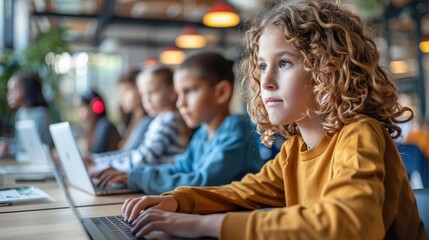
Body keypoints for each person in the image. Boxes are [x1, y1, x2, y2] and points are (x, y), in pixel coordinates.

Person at [121, 1, 426, 239]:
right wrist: (177, 201)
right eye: (263, 65)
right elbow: (242, 192)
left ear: (329, 70)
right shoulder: (294, 151)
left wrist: (208, 226)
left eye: (284, 63)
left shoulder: (359, 134)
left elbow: (351, 224)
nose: (265, 80)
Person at [92, 51, 265, 194]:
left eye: (188, 91)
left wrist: (139, 178)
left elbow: (203, 182)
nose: (179, 103)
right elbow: (179, 168)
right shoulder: (202, 134)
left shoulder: (236, 130)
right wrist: (132, 174)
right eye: (178, 94)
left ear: (221, 92)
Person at [88, 65, 192, 174]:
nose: (147, 100)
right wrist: (97, 160)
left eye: (152, 92)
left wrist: (99, 165)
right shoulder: (161, 120)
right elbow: (137, 154)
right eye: (143, 94)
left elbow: (144, 159)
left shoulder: (168, 120)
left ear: (172, 92)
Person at [0, 72, 53, 159]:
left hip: (39, 162)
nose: (9, 95)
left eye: (14, 90)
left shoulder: (41, 114)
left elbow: (40, 148)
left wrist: (9, 150)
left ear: (27, 90)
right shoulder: (20, 113)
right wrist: (7, 147)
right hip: (23, 161)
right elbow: (20, 145)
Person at [116, 67, 152, 151]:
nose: (122, 97)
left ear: (141, 89)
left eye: (126, 91)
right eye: (120, 92)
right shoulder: (134, 117)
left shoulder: (147, 121)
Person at [77, 89, 121, 154]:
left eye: (81, 107)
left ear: (95, 106)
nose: (79, 112)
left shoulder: (105, 125)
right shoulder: (92, 127)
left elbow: (96, 153)